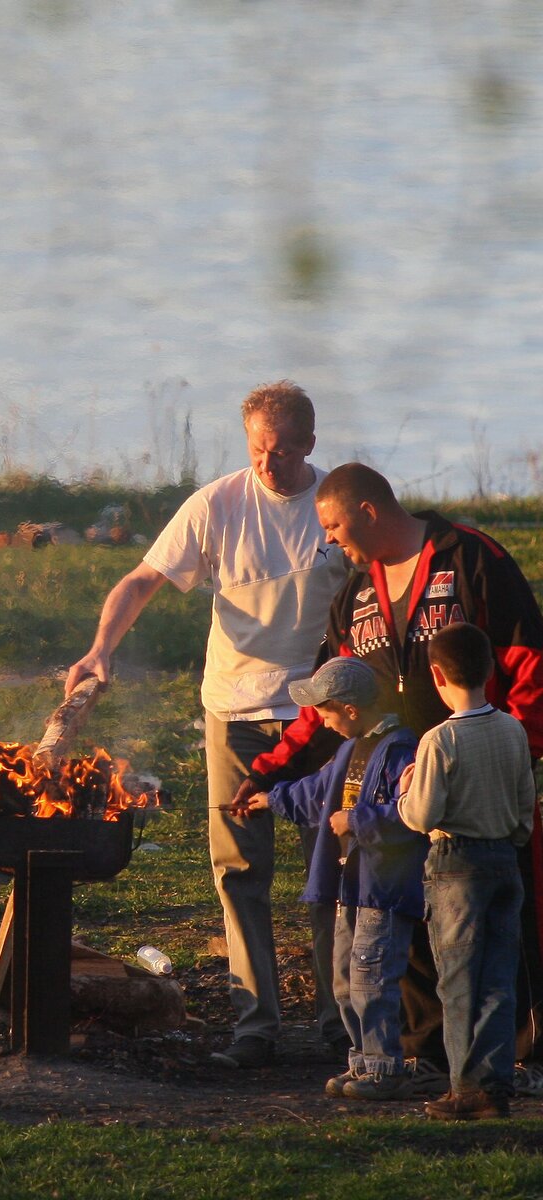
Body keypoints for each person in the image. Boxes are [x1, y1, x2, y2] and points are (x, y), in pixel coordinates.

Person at [65, 380, 350, 1068]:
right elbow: (141, 580)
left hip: (323, 720)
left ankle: (344, 1024)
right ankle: (256, 1028)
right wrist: (101, 648)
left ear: (310, 445)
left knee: (334, 870)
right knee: (239, 873)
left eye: (281, 452)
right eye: (257, 448)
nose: (267, 464)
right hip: (236, 713)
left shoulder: (336, 507)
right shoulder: (217, 504)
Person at [235, 462, 543, 1080]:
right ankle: (427, 1056)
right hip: (404, 800)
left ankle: (520, 1058)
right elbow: (328, 699)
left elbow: (529, 664)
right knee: (417, 922)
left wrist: (515, 756)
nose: (328, 539)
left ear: (368, 510)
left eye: (333, 524)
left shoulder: (471, 558)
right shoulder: (357, 595)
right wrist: (269, 772)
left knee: (503, 920)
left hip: (483, 791)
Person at [236, 657, 426, 1100]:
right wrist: (270, 798)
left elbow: (410, 812)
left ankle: (384, 1067)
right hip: (349, 886)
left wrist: (356, 821)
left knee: (372, 977)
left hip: (381, 886)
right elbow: (316, 790)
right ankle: (361, 1062)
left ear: (351, 709)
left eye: (325, 712)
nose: (321, 721)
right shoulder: (347, 748)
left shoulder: (401, 750)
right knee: (343, 976)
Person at [397, 623, 536, 1120]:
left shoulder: (440, 739)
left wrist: (405, 788)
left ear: (437, 674)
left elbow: (422, 815)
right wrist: (511, 836)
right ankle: (495, 1087)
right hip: (504, 860)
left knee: (457, 980)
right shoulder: (513, 728)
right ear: (491, 669)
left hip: (456, 864)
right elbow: (525, 803)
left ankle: (463, 1091)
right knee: (499, 979)